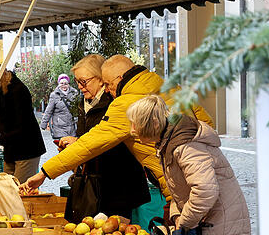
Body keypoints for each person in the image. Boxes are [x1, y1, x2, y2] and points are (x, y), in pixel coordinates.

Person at [21, 55, 213, 211]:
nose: (108, 90)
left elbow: (89, 144)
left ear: (119, 79)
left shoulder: (124, 104)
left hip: (174, 182)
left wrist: (45, 173)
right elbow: (205, 123)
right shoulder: (169, 87)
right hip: (203, 168)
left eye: (108, 84)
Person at [128, 95, 254, 235]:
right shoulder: (169, 142)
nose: (132, 130)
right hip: (207, 220)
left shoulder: (185, 147)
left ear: (154, 124)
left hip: (218, 223)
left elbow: (205, 191)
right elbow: (181, 189)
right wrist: (176, 213)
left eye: (136, 124)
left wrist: (184, 221)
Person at [56, 54, 149, 220]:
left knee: (117, 234)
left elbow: (109, 141)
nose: (80, 86)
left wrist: (78, 143)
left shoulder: (115, 103)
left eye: (84, 81)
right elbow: (87, 138)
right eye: (77, 82)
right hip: (94, 185)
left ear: (100, 79)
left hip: (117, 185)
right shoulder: (84, 103)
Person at [0, 70, 45, 183]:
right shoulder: (3, 91)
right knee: (8, 189)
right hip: (12, 148)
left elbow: (21, 125)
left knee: (20, 190)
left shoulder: (17, 90)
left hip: (26, 148)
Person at [39, 74, 78, 144]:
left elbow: (79, 108)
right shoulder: (54, 95)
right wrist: (43, 124)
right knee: (63, 146)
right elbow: (49, 111)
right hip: (59, 127)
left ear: (68, 84)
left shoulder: (74, 93)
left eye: (66, 83)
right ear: (58, 84)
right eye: (61, 83)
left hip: (72, 126)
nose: (64, 85)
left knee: (72, 147)